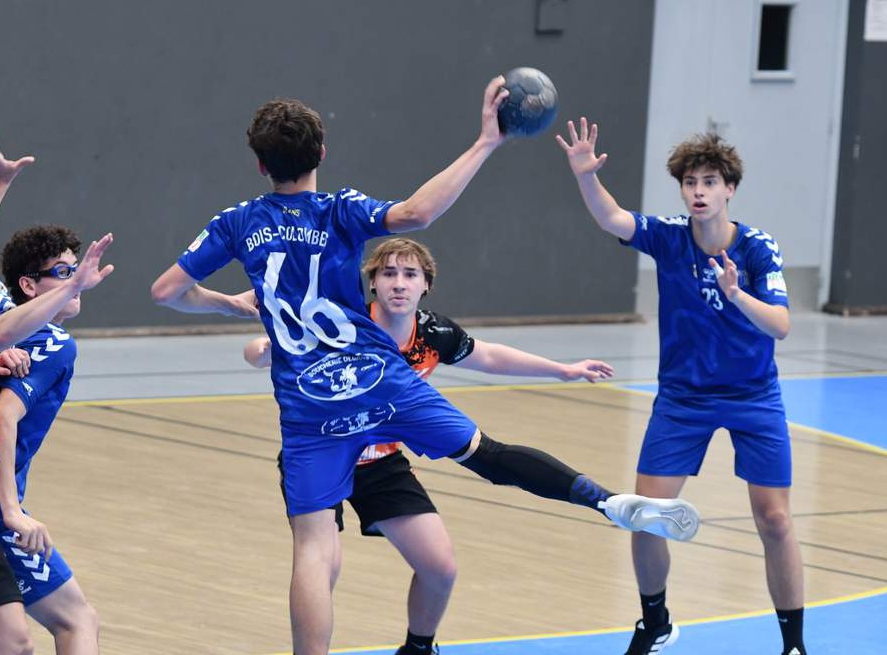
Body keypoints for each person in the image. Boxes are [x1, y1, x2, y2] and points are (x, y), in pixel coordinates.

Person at [151, 78, 699, 655]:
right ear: (321, 154)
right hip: (376, 381)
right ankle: (604, 501)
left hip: (308, 405)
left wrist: (228, 302)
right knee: (486, 453)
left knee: (314, 550)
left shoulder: (236, 222)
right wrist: (486, 142)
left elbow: (167, 292)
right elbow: (418, 213)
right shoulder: (338, 210)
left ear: (261, 165)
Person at [244, 237, 619, 654]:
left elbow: (490, 356)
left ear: (426, 284)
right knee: (323, 565)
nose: (399, 283)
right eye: (388, 273)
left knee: (440, 567)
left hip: (381, 462)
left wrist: (562, 370)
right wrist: (263, 350)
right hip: (324, 454)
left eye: (410, 274)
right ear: (372, 282)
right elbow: (261, 348)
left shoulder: (433, 334)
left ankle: (418, 648)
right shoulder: (343, 324)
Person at [556, 119, 804, 655]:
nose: (698, 191)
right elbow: (612, 217)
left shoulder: (757, 249)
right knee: (645, 515)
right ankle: (656, 622)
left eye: (709, 182)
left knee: (775, 520)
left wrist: (736, 295)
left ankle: (793, 645)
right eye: (690, 182)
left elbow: (781, 326)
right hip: (684, 399)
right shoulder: (670, 238)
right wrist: (585, 176)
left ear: (729, 189)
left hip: (753, 396)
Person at [0, 144, 113, 655]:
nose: (79, 280)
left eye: (77, 270)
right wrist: (11, 510)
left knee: (67, 622)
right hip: (3, 509)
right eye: (65, 272)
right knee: (66, 624)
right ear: (29, 286)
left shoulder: (10, 314)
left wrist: (2, 187)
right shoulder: (52, 343)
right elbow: (4, 417)